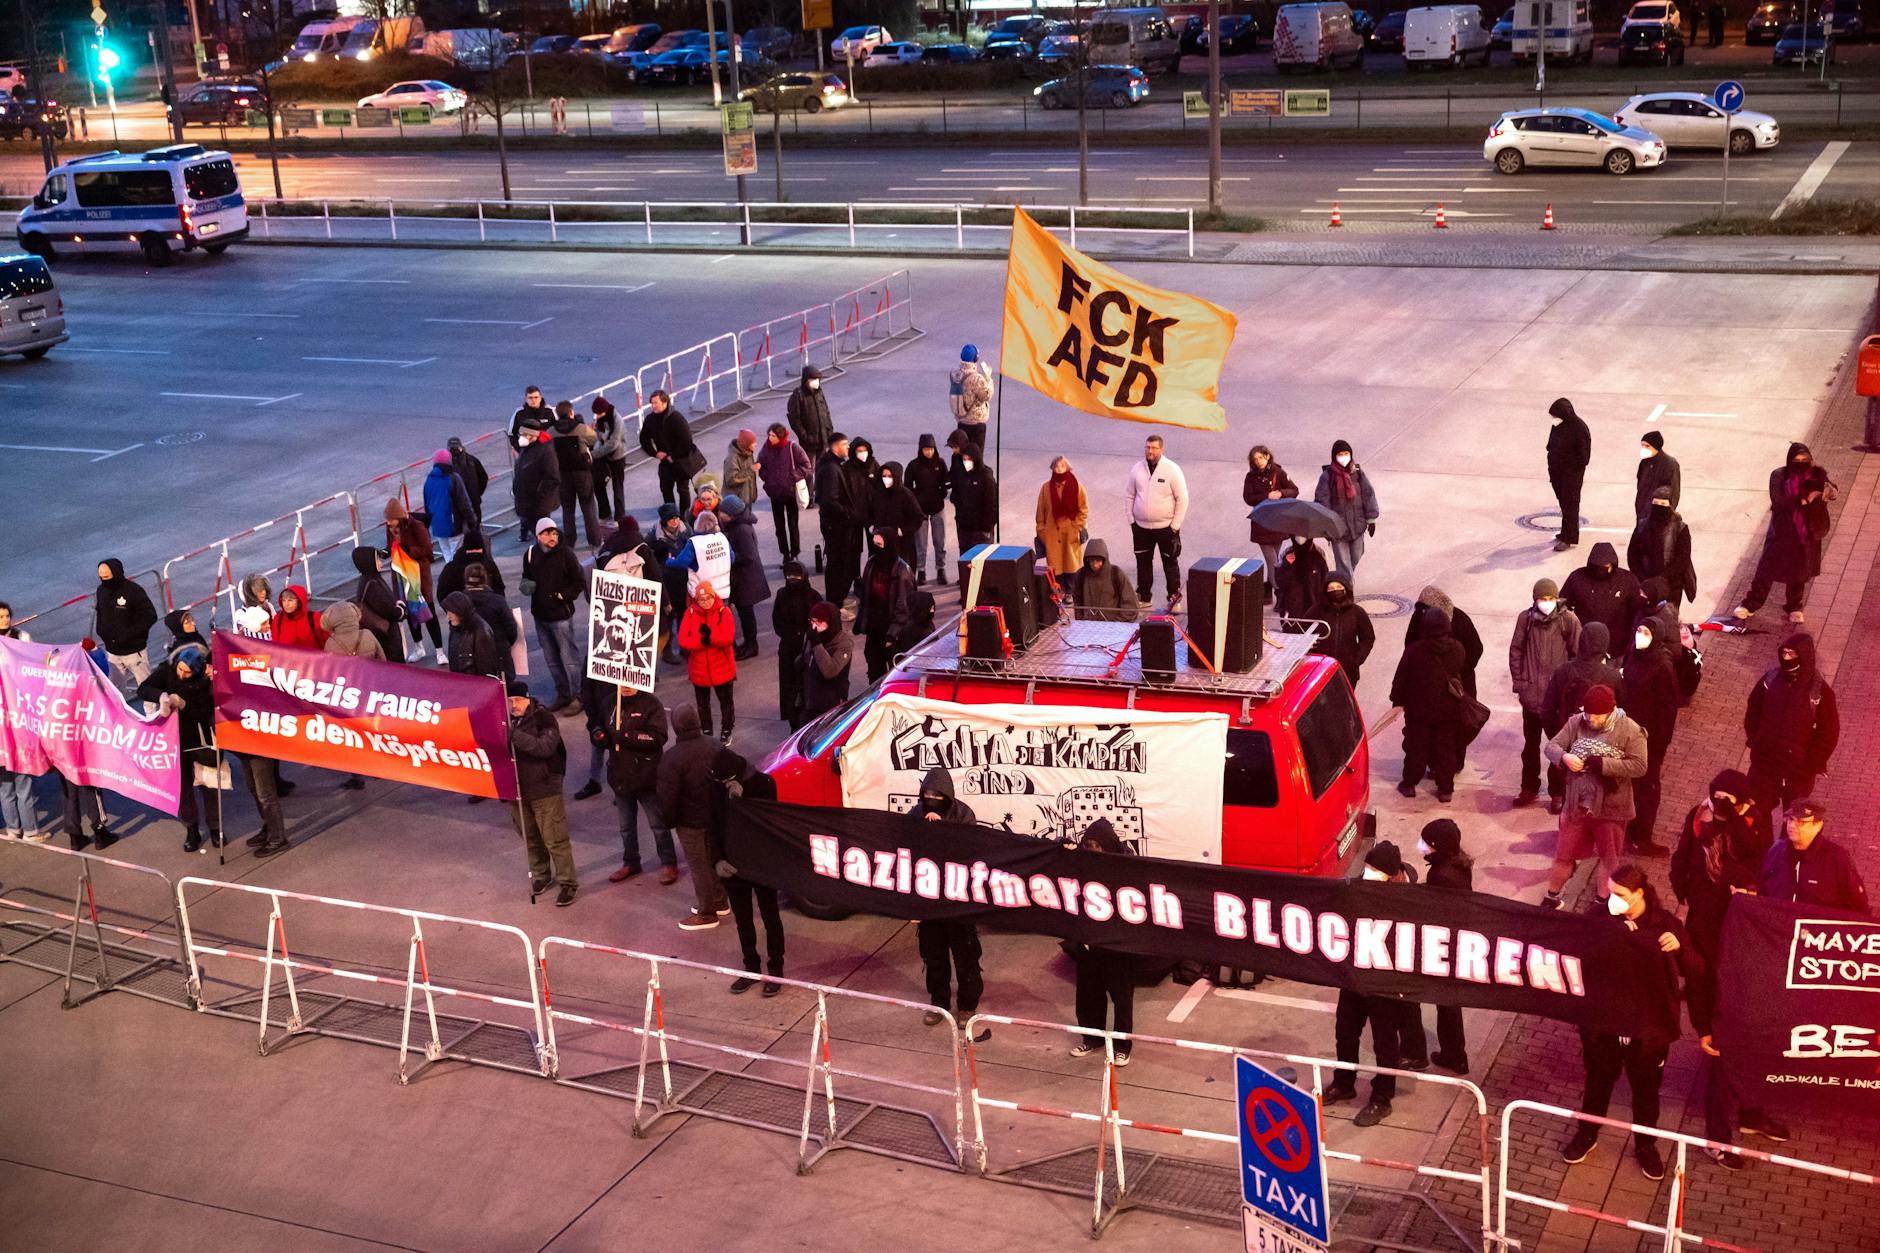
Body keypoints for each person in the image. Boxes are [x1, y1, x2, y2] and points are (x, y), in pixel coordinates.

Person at [1561, 865, 1709, 1182]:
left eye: (1619, 895)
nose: (1611, 900)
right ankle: (1586, 1134)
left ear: (1639, 894)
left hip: (1648, 1031)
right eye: (1610, 892)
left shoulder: (1666, 925)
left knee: (1646, 1093)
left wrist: (1679, 949)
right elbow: (1577, 953)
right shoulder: (1599, 918)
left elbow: (1696, 969)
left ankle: (1645, 1146)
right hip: (1604, 1026)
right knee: (1598, 1084)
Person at [1675, 771, 1784, 1171]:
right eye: (1714, 795)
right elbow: (1685, 856)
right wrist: (1685, 888)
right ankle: (1719, 1137)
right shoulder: (1697, 818)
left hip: (1739, 932)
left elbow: (1751, 857)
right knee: (1718, 1025)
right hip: (1706, 926)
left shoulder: (1754, 824)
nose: (1717, 804)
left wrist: (1734, 819)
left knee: (1743, 1028)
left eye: (1727, 798)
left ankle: (1750, 1112)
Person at [1325, 842, 1419, 1126]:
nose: (1368, 874)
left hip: (1384, 985)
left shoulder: (1412, 902)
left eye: (1375, 870)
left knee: (1385, 1043)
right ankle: (1344, 1082)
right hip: (1355, 978)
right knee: (1345, 1031)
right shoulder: (1360, 888)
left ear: (1392, 874)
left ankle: (1382, 1098)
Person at [1541, 685, 1647, 908]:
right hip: (1576, 805)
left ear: (1611, 710)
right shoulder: (1576, 722)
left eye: (1597, 715)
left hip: (1611, 809)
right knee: (1563, 854)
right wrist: (1564, 757)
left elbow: (1639, 766)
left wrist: (1605, 765)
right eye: (1587, 713)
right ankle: (1552, 897)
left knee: (1608, 859)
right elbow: (1551, 747)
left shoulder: (1630, 730)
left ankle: (1601, 902)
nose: (1590, 719)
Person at [911, 769, 989, 1040]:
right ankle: (939, 1001)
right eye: (927, 795)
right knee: (933, 956)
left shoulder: (963, 815)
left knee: (966, 956)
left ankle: (967, 1005)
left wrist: (942, 828)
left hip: (958, 901)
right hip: (930, 899)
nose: (931, 800)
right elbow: (905, 847)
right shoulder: (916, 814)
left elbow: (968, 849)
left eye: (937, 796)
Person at [1058, 818, 1141, 1064]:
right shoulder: (1082, 864)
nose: (1092, 850)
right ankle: (1092, 1038)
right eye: (1088, 845)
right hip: (1088, 943)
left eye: (1097, 845)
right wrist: (1064, 848)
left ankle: (1122, 1046)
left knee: (1121, 997)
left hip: (1116, 946)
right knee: (1088, 995)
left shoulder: (1127, 868)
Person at [708, 749, 786, 995]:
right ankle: (750, 967)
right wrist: (717, 860)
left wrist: (744, 799)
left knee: (770, 916)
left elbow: (770, 823)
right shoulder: (715, 788)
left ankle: (776, 970)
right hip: (733, 866)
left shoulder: (764, 784)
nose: (720, 784)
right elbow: (711, 826)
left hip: (761, 864)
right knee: (743, 919)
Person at [1735, 442, 1833, 626]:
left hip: (1806, 532)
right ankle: (1751, 604)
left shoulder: (1816, 475)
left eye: (1805, 459)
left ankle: (1794, 607)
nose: (1801, 463)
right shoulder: (1779, 475)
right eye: (1797, 459)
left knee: (1800, 571)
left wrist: (1825, 493)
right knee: (1767, 569)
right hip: (1783, 530)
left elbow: (1830, 490)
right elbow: (1779, 502)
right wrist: (1804, 499)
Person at [138, 645, 223, 854]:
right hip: (175, 741)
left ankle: (215, 828)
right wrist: (161, 696)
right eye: (180, 670)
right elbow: (143, 689)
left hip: (201, 738)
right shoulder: (167, 671)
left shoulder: (205, 681)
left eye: (188, 672)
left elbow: (205, 710)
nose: (183, 675)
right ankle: (191, 828)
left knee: (210, 786)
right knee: (183, 788)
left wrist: (183, 703)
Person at [1743, 632, 1838, 813]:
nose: (1786, 658)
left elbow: (1829, 734)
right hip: (1764, 767)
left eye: (1792, 654)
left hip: (1798, 775)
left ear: (1804, 656)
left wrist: (1810, 765)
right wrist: (1756, 741)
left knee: (1792, 824)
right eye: (1784, 653)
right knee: (1755, 817)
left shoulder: (1821, 692)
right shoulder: (1770, 680)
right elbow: (1753, 710)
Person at [1510, 578, 1581, 809]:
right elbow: (1516, 650)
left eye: (1550, 599)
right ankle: (1528, 788)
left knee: (1557, 748)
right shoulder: (1526, 619)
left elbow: (1577, 655)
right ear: (1535, 600)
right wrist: (1520, 682)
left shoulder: (1568, 620)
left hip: (1556, 702)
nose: (1546, 603)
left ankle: (1557, 793)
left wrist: (1568, 689)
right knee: (1530, 747)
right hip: (1531, 699)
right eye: (1542, 599)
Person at [1538, 622, 1622, 815]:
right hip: (1599, 741)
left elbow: (1547, 709)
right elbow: (1622, 711)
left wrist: (1558, 734)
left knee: (1564, 776)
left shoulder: (1563, 671)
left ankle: (1558, 798)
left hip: (1569, 738)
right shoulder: (1612, 676)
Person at [599, 681, 678, 884]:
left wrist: (626, 735)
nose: (625, 686)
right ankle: (631, 862)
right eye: (621, 682)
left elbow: (658, 737)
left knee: (657, 824)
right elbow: (602, 728)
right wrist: (598, 736)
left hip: (646, 776)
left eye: (629, 681)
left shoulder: (651, 704)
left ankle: (669, 862)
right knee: (626, 826)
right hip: (620, 776)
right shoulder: (610, 702)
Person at [507, 681, 577, 907]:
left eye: (518, 700)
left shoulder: (544, 718)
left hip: (545, 790)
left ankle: (567, 882)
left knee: (554, 839)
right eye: (509, 701)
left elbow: (544, 747)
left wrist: (513, 735)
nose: (514, 705)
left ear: (528, 698)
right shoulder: (502, 721)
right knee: (530, 838)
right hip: (516, 792)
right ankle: (541, 875)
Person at [1410, 821, 1472, 1074]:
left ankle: (1454, 1054)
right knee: (1448, 1003)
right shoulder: (1456, 866)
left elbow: (1435, 908)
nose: (1420, 846)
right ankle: (1454, 1053)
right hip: (1455, 943)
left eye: (1426, 842)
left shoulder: (1442, 875)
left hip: (1445, 947)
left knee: (1446, 1004)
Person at [659, 701, 727, 929]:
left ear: (675, 727)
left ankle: (707, 913)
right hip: (716, 817)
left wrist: (669, 822)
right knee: (714, 859)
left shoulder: (672, 758)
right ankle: (720, 901)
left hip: (690, 822)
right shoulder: (715, 745)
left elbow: (668, 798)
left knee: (699, 867)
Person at [1391, 607, 1466, 802]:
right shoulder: (1457, 648)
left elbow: (1401, 678)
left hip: (1419, 710)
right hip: (1449, 710)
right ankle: (1445, 789)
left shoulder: (1415, 650)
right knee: (1446, 750)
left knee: (1416, 748)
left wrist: (1397, 700)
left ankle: (1409, 784)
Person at [1621, 620, 1681, 857]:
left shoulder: (1663, 665)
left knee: (1648, 788)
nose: (1641, 636)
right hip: (1629, 735)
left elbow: (1668, 709)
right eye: (1639, 631)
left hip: (1649, 740)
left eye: (1646, 633)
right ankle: (1632, 829)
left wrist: (1659, 743)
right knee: (1633, 785)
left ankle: (1642, 836)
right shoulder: (1634, 655)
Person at [522, 518, 586, 716]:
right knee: (551, 659)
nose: (553, 537)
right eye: (548, 533)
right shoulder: (531, 554)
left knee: (569, 658)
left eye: (555, 533)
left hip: (561, 617)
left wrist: (563, 596)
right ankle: (563, 694)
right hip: (540, 616)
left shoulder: (566, 554)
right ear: (539, 536)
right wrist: (526, 585)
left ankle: (578, 695)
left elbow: (579, 581)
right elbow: (527, 576)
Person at [1761, 798, 1867, 913]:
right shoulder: (1777, 850)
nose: (1792, 825)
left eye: (1801, 822)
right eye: (1791, 819)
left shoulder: (1837, 858)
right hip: (1780, 926)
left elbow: (1858, 904)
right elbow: (1763, 890)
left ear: (1818, 825)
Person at [1126, 435, 1188, 609]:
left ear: (1162, 449)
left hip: (1166, 528)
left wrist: (1175, 526)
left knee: (1170, 564)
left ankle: (1174, 598)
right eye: (1147, 447)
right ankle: (1144, 597)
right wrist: (1132, 521)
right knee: (1143, 563)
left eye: (1153, 448)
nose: (1150, 451)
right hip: (1141, 528)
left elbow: (1182, 498)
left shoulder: (1172, 470)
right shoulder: (1137, 469)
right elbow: (1129, 495)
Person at [0, 602, 43, 842]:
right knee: (7, 786)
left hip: (19, 718)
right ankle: (14, 829)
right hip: (3, 726)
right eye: (1, 617)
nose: (5, 620)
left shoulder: (22, 637)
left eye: (7, 616)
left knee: (23, 780)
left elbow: (35, 666)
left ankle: (30, 830)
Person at [384, 498, 444, 661]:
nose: (389, 524)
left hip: (419, 576)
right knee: (410, 612)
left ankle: (440, 650)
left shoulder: (417, 526)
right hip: (401, 575)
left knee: (429, 610)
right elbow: (391, 548)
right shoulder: (390, 529)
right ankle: (419, 647)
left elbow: (427, 551)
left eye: (391, 520)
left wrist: (407, 549)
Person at [679, 581, 737, 744]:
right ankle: (707, 732)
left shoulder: (723, 612)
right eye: (701, 599)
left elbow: (728, 638)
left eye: (708, 598)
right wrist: (701, 642)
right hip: (699, 670)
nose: (705, 602)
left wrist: (711, 637)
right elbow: (683, 639)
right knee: (703, 705)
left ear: (713, 596)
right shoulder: (689, 613)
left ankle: (727, 730)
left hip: (722, 668)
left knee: (726, 703)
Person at [857, 525, 915, 683]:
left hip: (892, 633)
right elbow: (865, 596)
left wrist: (892, 634)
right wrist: (861, 622)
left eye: (879, 545)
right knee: (874, 674)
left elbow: (904, 608)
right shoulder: (871, 564)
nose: (875, 548)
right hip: (874, 630)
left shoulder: (902, 571)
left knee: (895, 676)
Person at [1560, 542, 1644, 651]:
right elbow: (1563, 603)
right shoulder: (1577, 578)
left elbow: (1638, 611)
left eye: (1607, 567)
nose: (1602, 571)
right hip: (1585, 644)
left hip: (1618, 646)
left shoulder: (1627, 580)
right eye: (1598, 567)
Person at [1314, 439, 1380, 573]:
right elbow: (1322, 502)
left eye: (1346, 453)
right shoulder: (1327, 476)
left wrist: (1371, 519)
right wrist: (1326, 526)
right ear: (1334, 456)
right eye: (1340, 454)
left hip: (1358, 525)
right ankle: (1347, 589)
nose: (1343, 457)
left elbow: (1368, 494)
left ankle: (1345, 581)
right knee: (1344, 564)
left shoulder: (1357, 472)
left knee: (1356, 556)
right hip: (1338, 529)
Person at [716, 495, 769, 662]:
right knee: (744, 613)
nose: (719, 514)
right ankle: (749, 644)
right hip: (745, 578)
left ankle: (751, 646)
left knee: (746, 614)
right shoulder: (737, 525)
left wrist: (728, 557)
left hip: (747, 579)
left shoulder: (742, 530)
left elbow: (748, 555)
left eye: (722, 512)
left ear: (731, 514)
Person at [94, 558, 157, 690]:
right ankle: (117, 710)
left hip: (134, 652)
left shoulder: (134, 591)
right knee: (114, 690)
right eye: (101, 577)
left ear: (116, 573)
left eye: (107, 577)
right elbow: (99, 611)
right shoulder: (101, 591)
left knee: (146, 689)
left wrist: (130, 635)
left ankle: (151, 712)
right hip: (112, 653)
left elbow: (150, 616)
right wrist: (100, 630)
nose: (104, 581)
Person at [816, 433, 863, 607]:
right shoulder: (831, 469)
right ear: (835, 447)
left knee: (838, 564)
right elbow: (830, 501)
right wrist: (849, 512)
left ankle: (836, 601)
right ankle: (835, 603)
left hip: (834, 526)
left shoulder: (830, 465)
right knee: (839, 565)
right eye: (845, 444)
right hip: (837, 527)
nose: (848, 448)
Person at [757, 422, 814, 564]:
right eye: (769, 435)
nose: (770, 438)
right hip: (775, 493)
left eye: (773, 435)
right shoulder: (766, 449)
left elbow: (806, 466)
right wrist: (767, 478)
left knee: (793, 525)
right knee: (779, 527)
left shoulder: (792, 447)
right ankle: (785, 554)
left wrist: (792, 477)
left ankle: (795, 553)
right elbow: (761, 466)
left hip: (790, 493)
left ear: (780, 436)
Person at [1627, 494, 1696, 612]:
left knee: (1668, 619)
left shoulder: (1680, 528)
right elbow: (1632, 555)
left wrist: (1662, 579)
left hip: (1672, 586)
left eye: (1663, 504)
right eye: (1656, 503)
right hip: (1646, 586)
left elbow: (1683, 558)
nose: (1659, 507)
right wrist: (1644, 579)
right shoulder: (1642, 526)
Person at [510, 393, 562, 545]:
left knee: (545, 538)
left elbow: (552, 478)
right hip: (527, 503)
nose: (521, 437)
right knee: (540, 538)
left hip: (538, 506)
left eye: (524, 434)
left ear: (532, 435)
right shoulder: (526, 449)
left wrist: (541, 501)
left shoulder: (544, 451)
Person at [551, 400, 603, 548]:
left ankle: (569, 541)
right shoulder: (581, 428)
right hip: (581, 473)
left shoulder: (551, 432)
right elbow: (594, 439)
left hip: (563, 474)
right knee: (588, 507)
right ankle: (594, 540)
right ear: (571, 412)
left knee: (567, 509)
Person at [1243, 444, 1299, 580]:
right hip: (1261, 522)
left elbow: (1294, 490)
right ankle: (1278, 590)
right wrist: (1267, 496)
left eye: (1261, 458)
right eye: (1255, 459)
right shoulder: (1250, 477)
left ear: (1267, 456)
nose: (1258, 462)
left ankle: (1270, 589)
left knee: (1274, 559)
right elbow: (1248, 498)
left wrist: (1281, 493)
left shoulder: (1278, 472)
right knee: (1273, 561)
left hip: (1278, 522)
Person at [1309, 568, 1374, 687]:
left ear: (1346, 588)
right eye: (1331, 588)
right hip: (1321, 669)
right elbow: (1302, 631)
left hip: (1347, 670)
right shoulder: (1316, 610)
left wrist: (1357, 660)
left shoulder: (1357, 612)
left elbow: (1368, 638)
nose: (1335, 591)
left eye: (1339, 587)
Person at [640, 388, 702, 512]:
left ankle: (684, 516)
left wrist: (673, 456)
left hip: (681, 460)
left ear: (665, 403)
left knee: (682, 489)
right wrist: (655, 453)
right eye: (651, 403)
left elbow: (687, 441)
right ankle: (671, 514)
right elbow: (644, 439)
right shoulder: (650, 420)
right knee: (665, 488)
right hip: (665, 462)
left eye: (656, 403)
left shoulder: (676, 418)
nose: (653, 406)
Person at [772, 561, 817, 726]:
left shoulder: (813, 596)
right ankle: (793, 722)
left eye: (796, 576)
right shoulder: (782, 595)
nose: (793, 579)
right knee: (789, 687)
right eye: (789, 576)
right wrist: (790, 635)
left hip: (807, 649)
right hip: (788, 650)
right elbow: (777, 620)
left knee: (806, 687)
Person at [1546, 398, 1592, 552]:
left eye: (1555, 415)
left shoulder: (1580, 429)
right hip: (1557, 474)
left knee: (1570, 506)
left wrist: (1566, 463)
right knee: (1564, 505)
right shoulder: (1558, 425)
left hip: (1571, 477)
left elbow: (1584, 458)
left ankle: (1569, 537)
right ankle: (1565, 532)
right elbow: (1551, 444)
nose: (1554, 419)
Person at [1031, 455, 1089, 579]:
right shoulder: (1045, 488)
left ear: (1067, 468)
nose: (1059, 469)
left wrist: (1077, 528)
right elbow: (1040, 514)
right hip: (1051, 538)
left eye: (1062, 466)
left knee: (1072, 571)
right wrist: (1042, 533)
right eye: (1056, 466)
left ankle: (1070, 594)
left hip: (1071, 537)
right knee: (1056, 574)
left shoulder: (1077, 487)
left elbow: (1083, 511)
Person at [350, 546, 407, 664]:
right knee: (395, 668)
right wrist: (401, 610)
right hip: (385, 635)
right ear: (369, 562)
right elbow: (388, 610)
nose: (380, 562)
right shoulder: (373, 584)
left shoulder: (368, 579)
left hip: (379, 634)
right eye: (377, 559)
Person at [798, 602, 853, 725]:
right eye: (812, 621)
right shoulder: (812, 636)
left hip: (830, 704)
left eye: (819, 622)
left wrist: (817, 645)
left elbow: (830, 671)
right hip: (810, 702)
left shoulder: (843, 643)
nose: (815, 626)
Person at [906, 433, 950, 586]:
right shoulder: (914, 465)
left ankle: (941, 569)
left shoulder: (940, 463)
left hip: (937, 508)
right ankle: (921, 571)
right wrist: (916, 501)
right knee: (921, 543)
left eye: (931, 449)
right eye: (926, 449)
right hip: (921, 511)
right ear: (920, 449)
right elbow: (908, 487)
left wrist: (941, 494)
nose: (929, 452)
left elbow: (946, 482)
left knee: (940, 541)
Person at [651, 506, 692, 667]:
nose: (675, 522)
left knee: (684, 615)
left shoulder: (685, 530)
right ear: (664, 521)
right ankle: (667, 651)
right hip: (666, 583)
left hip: (683, 580)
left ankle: (684, 646)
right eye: (671, 519)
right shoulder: (655, 536)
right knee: (667, 618)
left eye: (677, 518)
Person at [422, 448, 477, 564]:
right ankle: (457, 578)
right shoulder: (453, 478)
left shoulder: (429, 480)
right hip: (453, 525)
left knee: (447, 555)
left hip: (437, 526)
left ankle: (450, 575)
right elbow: (464, 503)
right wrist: (471, 520)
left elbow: (426, 504)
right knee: (457, 556)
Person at [872, 459, 925, 573]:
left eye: (889, 475)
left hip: (903, 544)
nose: (886, 478)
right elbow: (873, 512)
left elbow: (918, 517)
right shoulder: (879, 494)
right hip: (883, 543)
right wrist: (874, 527)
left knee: (901, 574)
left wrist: (903, 531)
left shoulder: (905, 495)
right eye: (884, 475)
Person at [786, 365, 834, 486]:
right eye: (814, 379)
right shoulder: (798, 395)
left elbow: (826, 412)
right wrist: (805, 436)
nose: (816, 382)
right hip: (809, 442)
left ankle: (820, 493)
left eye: (818, 379)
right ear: (807, 380)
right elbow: (794, 419)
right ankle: (809, 497)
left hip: (823, 439)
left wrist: (829, 431)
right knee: (808, 470)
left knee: (822, 468)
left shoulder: (819, 393)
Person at [1070, 538, 1139, 622]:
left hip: (1114, 626)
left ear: (1104, 559)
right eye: (1091, 561)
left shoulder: (1116, 573)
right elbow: (1077, 602)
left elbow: (1130, 605)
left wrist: (1117, 623)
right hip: (1089, 627)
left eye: (1098, 561)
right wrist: (1082, 620)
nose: (1095, 565)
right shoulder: (1081, 575)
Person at [948, 441, 999, 554]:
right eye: (964, 459)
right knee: (965, 563)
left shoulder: (986, 477)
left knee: (981, 563)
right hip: (964, 528)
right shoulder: (962, 475)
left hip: (980, 531)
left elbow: (992, 505)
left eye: (969, 459)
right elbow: (956, 493)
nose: (966, 462)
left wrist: (987, 527)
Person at [589, 395, 630, 524]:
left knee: (618, 487)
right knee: (598, 484)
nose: (597, 416)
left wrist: (594, 454)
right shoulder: (601, 419)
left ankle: (619, 517)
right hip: (604, 456)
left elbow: (613, 443)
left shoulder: (617, 420)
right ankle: (605, 513)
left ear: (605, 411)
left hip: (617, 457)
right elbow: (598, 435)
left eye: (599, 413)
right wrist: (601, 440)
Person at [442, 591, 502, 678]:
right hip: (462, 684)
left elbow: (487, 670)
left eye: (451, 612)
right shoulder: (455, 627)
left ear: (460, 612)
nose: (448, 617)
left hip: (474, 687)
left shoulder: (481, 632)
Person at [437, 529, 505, 602]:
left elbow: (442, 594)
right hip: (489, 610)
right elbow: (499, 589)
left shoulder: (451, 568)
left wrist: (454, 610)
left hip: (461, 610)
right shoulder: (489, 565)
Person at [948, 343, 993, 450]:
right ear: (975, 358)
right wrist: (988, 379)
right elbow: (987, 396)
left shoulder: (955, 374)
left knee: (963, 451)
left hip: (961, 419)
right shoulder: (977, 378)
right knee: (976, 454)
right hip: (976, 422)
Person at [1273, 537, 1328, 622]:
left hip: (1314, 608)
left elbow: (1325, 580)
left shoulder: (1319, 554)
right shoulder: (1286, 553)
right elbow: (1279, 581)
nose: (1300, 538)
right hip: (1291, 607)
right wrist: (1287, 565)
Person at [1635, 430, 1681, 523]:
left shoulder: (1670, 464)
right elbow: (1640, 485)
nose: (1644, 449)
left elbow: (1674, 492)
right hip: (1642, 512)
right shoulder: (1644, 462)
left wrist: (1667, 513)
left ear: (1656, 446)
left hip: (1659, 515)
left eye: (1647, 446)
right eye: (1642, 446)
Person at [447, 435, 490, 520]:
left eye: (457, 448)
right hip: (455, 506)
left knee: (475, 526)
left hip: (473, 501)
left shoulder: (472, 461)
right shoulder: (446, 465)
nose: (454, 451)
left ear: (461, 447)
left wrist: (477, 493)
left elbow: (483, 477)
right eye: (452, 449)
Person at [723, 428, 760, 517]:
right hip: (737, 502)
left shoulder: (747, 453)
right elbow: (731, 479)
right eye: (753, 442)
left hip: (746, 499)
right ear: (746, 443)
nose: (756, 444)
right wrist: (751, 470)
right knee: (742, 528)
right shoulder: (732, 458)